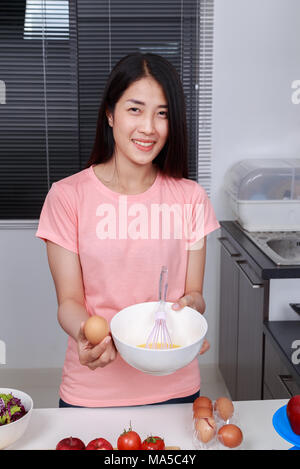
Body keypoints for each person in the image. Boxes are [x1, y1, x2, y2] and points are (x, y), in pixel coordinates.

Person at [36, 52, 220, 408]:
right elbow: (70, 302)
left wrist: (191, 311)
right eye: (135, 109)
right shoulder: (67, 196)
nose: (149, 127)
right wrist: (86, 336)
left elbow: (195, 294)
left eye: (162, 113)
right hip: (92, 389)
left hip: (175, 386)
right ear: (110, 113)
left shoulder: (191, 198)